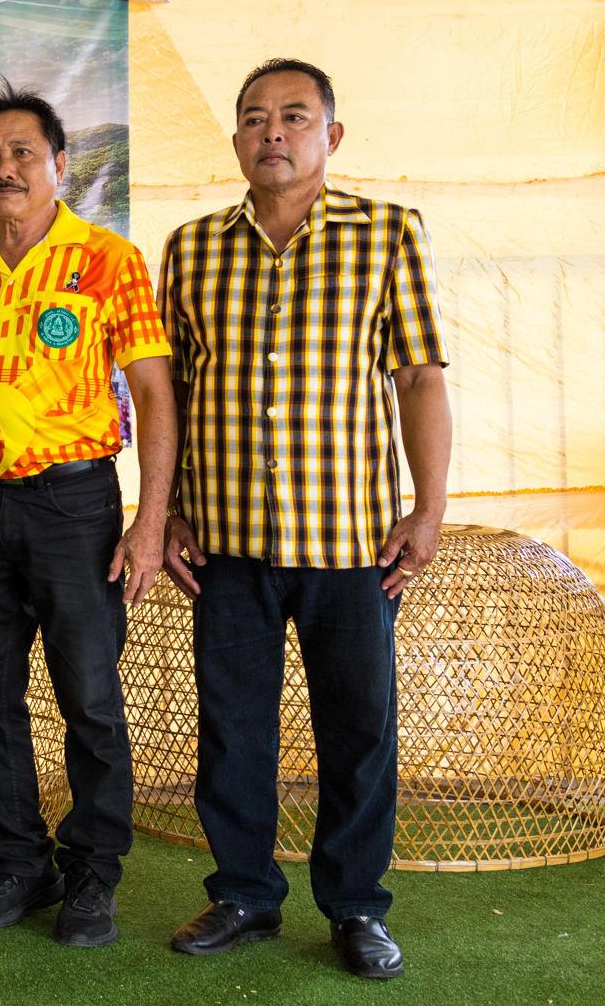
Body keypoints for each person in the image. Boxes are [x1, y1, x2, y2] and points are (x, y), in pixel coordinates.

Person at [159, 59, 449, 980]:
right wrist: (168, 509)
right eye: (254, 118)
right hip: (225, 540)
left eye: (293, 116)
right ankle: (244, 895)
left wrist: (429, 507)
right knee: (232, 729)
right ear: (237, 138)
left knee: (357, 731)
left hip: (350, 543)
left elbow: (418, 378)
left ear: (332, 135)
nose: (272, 132)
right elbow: (173, 392)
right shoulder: (192, 248)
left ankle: (356, 908)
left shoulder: (386, 233)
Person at [0, 82, 175, 948]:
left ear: (59, 164)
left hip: (75, 506)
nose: (5, 168)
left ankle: (93, 874)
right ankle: (20, 866)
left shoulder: (106, 258)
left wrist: (150, 521)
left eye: (23, 152)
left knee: (89, 697)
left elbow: (153, 392)